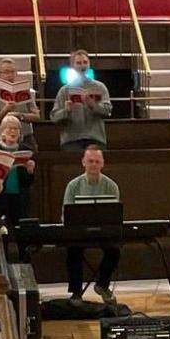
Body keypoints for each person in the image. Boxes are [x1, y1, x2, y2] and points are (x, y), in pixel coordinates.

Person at [62, 145, 121, 302]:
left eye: (97, 161)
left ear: (102, 164)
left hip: (103, 231)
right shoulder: (73, 186)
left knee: (115, 249)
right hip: (79, 231)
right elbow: (66, 214)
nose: (93, 164)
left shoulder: (111, 186)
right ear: (83, 163)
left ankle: (102, 284)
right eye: (90, 161)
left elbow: (114, 214)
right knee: (73, 249)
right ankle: (76, 292)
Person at [50, 49, 111, 150]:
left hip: (95, 138)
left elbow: (108, 111)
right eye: (78, 63)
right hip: (72, 140)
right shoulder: (64, 90)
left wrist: (93, 105)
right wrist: (66, 110)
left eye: (85, 62)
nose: (82, 66)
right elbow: (54, 117)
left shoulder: (100, 87)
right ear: (73, 66)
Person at [0, 114, 37, 230]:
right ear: (2, 132)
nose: (12, 131)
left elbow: (29, 182)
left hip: (20, 196)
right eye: (9, 128)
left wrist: (30, 171)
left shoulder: (26, 149)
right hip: (0, 195)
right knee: (2, 229)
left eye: (16, 129)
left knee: (21, 228)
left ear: (20, 133)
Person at [0, 56, 41, 129]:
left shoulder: (24, 90)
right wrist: (5, 110)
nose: (10, 75)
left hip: (25, 134)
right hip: (2, 134)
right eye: (6, 72)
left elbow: (36, 116)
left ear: (16, 74)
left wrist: (20, 115)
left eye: (12, 72)